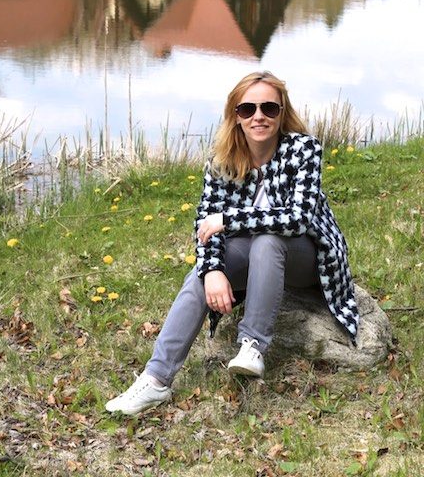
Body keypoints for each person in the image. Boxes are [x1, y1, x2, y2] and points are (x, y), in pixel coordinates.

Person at [106, 71, 359, 415]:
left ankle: (252, 345)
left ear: (282, 112)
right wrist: (212, 270)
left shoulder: (304, 149)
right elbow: (205, 225)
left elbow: (297, 219)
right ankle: (156, 380)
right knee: (200, 275)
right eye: (248, 109)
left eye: (269, 108)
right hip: (256, 257)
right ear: (235, 115)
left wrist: (229, 219)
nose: (259, 116)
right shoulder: (221, 161)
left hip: (307, 258)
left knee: (268, 239)